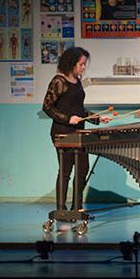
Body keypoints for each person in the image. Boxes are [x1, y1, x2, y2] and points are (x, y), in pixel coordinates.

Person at [42, 47, 108, 210]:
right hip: (62, 132)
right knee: (66, 170)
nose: (83, 68)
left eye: (84, 64)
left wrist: (96, 118)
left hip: (79, 132)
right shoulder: (59, 81)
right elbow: (47, 107)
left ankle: (76, 206)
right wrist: (67, 119)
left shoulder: (77, 82)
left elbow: (78, 109)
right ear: (71, 63)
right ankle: (61, 208)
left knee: (82, 169)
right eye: (81, 64)